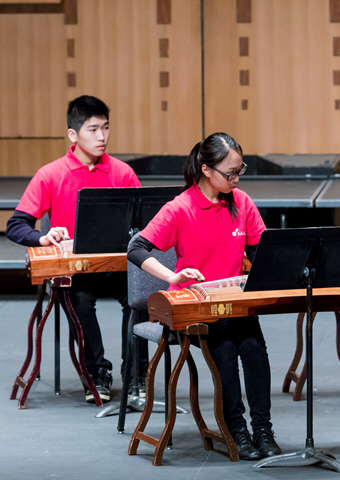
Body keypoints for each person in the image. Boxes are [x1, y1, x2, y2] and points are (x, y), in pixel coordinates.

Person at [127, 132, 282, 460]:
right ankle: (236, 431)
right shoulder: (180, 208)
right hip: (195, 310)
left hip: (233, 304)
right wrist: (173, 276)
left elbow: (260, 252)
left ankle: (264, 430)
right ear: (207, 169)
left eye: (241, 170)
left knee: (254, 349)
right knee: (225, 350)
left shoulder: (242, 203)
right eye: (231, 173)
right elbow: (136, 248)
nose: (237, 179)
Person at [6, 95, 148, 404]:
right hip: (76, 271)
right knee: (79, 301)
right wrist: (42, 237)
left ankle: (136, 375)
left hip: (117, 266)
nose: (102, 137)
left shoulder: (122, 173)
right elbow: (16, 225)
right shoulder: (51, 174)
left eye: (106, 128)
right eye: (93, 129)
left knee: (138, 298)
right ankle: (96, 373)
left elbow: (145, 225)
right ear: (73, 134)